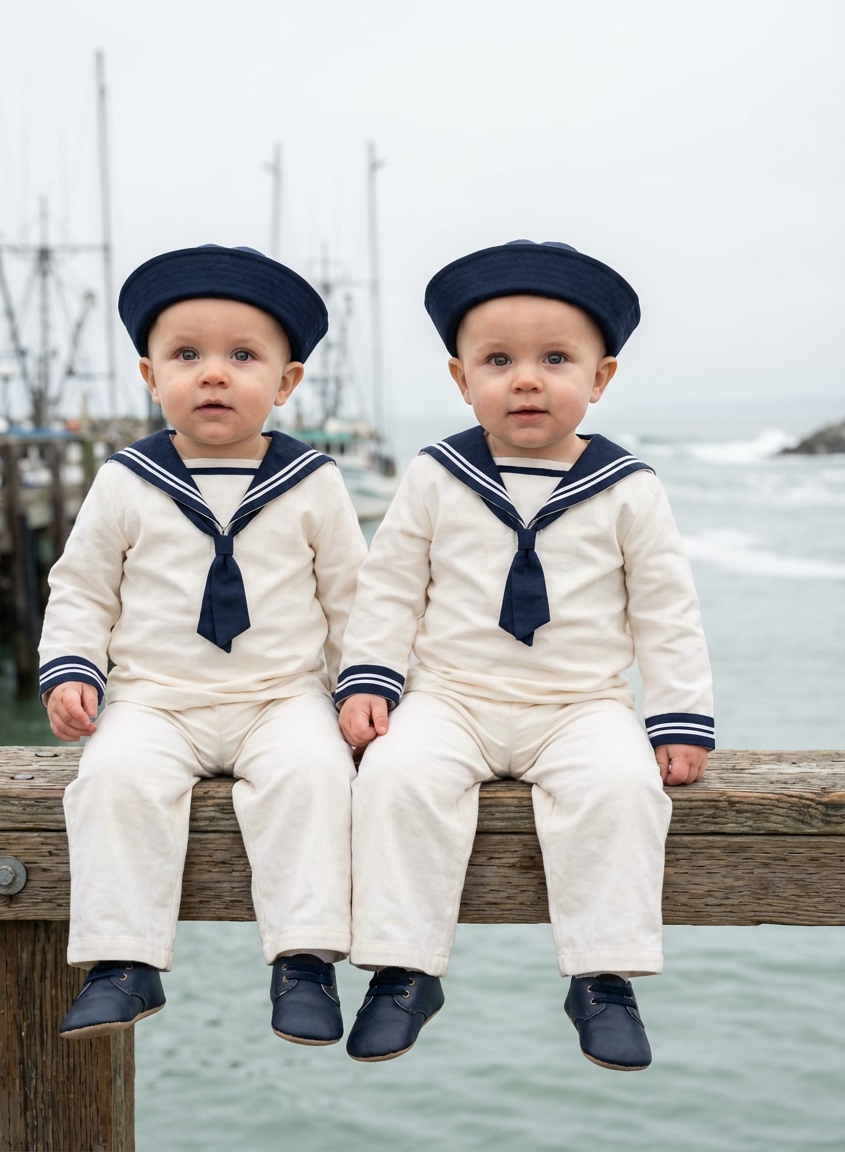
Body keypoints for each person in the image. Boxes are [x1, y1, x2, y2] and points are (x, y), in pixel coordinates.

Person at [336, 240, 714, 1070]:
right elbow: (390, 585)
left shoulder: (629, 487)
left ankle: (603, 977)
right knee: (395, 778)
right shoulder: (437, 474)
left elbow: (666, 610)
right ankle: (402, 970)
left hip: (580, 705)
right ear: (460, 377)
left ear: (601, 377)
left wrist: (679, 718)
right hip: (451, 697)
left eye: (555, 359)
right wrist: (369, 680)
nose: (527, 380)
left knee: (621, 789)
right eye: (498, 360)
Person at [39, 243, 366, 1046]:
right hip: (154, 699)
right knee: (113, 778)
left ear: (286, 381)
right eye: (186, 355)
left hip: (281, 698)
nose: (213, 374)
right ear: (150, 376)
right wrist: (73, 668)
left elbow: (353, 599)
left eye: (242, 356)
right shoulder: (126, 479)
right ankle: (123, 963)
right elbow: (83, 587)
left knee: (315, 776)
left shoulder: (314, 481)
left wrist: (364, 684)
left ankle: (305, 960)